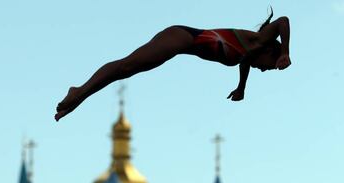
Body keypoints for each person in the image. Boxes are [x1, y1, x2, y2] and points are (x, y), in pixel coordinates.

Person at [55, 9, 291, 121]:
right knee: (126, 66)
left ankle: (80, 96)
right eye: (270, 65)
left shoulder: (249, 54)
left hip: (180, 44)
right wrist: (286, 53)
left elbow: (246, 64)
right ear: (272, 50)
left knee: (128, 70)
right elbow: (283, 20)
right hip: (182, 37)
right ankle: (80, 91)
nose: (265, 69)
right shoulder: (261, 39)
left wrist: (242, 88)